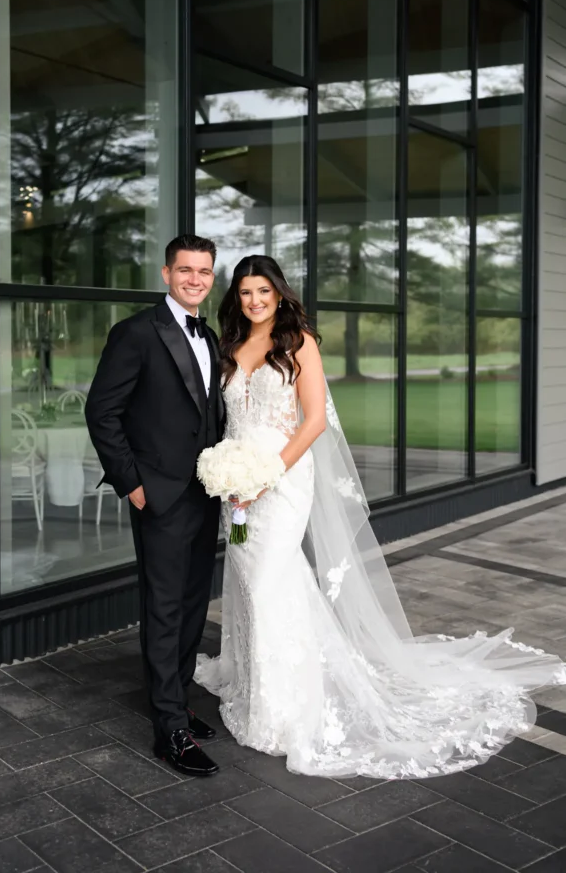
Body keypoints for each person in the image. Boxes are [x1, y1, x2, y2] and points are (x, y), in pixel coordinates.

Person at [195, 255, 566, 779]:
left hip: (282, 478)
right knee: (249, 578)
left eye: (263, 291)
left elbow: (316, 420)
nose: (254, 300)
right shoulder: (231, 345)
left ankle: (283, 706)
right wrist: (230, 475)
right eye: (245, 292)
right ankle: (256, 680)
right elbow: (230, 421)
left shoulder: (298, 341)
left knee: (267, 580)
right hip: (237, 484)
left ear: (279, 293)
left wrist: (267, 472)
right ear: (237, 298)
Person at [86, 234, 225, 777]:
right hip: (159, 494)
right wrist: (132, 484)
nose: (195, 279)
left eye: (205, 271)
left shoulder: (208, 335)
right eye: (185, 270)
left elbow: (208, 416)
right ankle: (168, 730)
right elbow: (102, 413)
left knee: (193, 604)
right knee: (164, 607)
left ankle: (179, 704)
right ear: (166, 273)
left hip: (205, 490)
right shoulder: (136, 333)